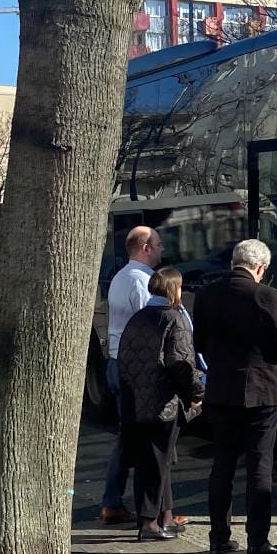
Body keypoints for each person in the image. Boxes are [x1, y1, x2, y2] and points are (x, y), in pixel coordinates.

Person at [193, 238, 277, 554]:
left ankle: (218, 538)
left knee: (222, 466)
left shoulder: (207, 295)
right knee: (259, 465)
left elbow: (199, 342)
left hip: (222, 388)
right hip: (262, 389)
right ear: (261, 268)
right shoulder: (266, 295)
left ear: (233, 263)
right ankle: (257, 541)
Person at [118, 267, 204, 541]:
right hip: (164, 401)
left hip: (137, 399)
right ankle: (148, 522)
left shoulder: (139, 317)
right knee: (156, 463)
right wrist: (196, 393)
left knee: (157, 459)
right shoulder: (175, 319)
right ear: (174, 289)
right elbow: (180, 363)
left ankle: (165, 516)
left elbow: (124, 357)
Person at [98, 225, 165, 525]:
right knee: (149, 438)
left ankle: (114, 502)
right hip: (136, 368)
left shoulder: (120, 277)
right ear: (145, 248)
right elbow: (149, 324)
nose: (162, 249)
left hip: (117, 361)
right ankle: (155, 509)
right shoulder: (142, 281)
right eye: (158, 244)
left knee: (128, 437)